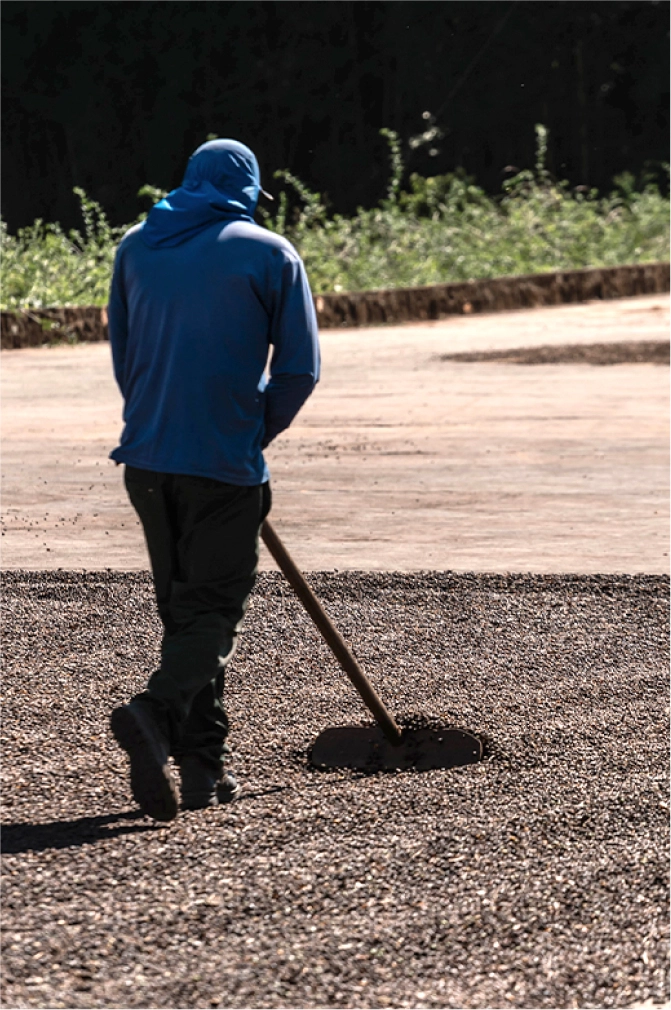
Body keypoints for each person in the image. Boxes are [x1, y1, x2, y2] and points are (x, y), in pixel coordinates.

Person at [107, 139, 320, 822]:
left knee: (185, 614)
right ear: (249, 192)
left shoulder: (136, 246)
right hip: (221, 466)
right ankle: (154, 712)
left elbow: (125, 355)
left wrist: (158, 421)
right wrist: (249, 434)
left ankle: (202, 771)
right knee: (211, 612)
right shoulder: (268, 252)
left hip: (145, 460)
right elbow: (298, 370)